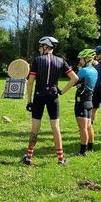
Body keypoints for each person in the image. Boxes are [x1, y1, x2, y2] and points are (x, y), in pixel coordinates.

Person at [22, 36, 79, 166]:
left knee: (35, 127)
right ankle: (60, 158)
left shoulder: (37, 60)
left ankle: (29, 157)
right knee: (56, 127)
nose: (39, 48)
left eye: (41, 46)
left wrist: (29, 100)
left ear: (46, 46)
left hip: (39, 95)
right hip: (53, 96)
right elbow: (74, 78)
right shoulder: (61, 60)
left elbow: (30, 82)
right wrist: (62, 91)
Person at [72, 49, 98, 156]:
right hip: (89, 100)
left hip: (81, 101)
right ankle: (90, 147)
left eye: (81, 59)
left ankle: (83, 151)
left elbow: (74, 82)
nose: (80, 61)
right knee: (89, 126)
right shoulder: (95, 71)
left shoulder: (83, 71)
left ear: (87, 59)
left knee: (82, 127)